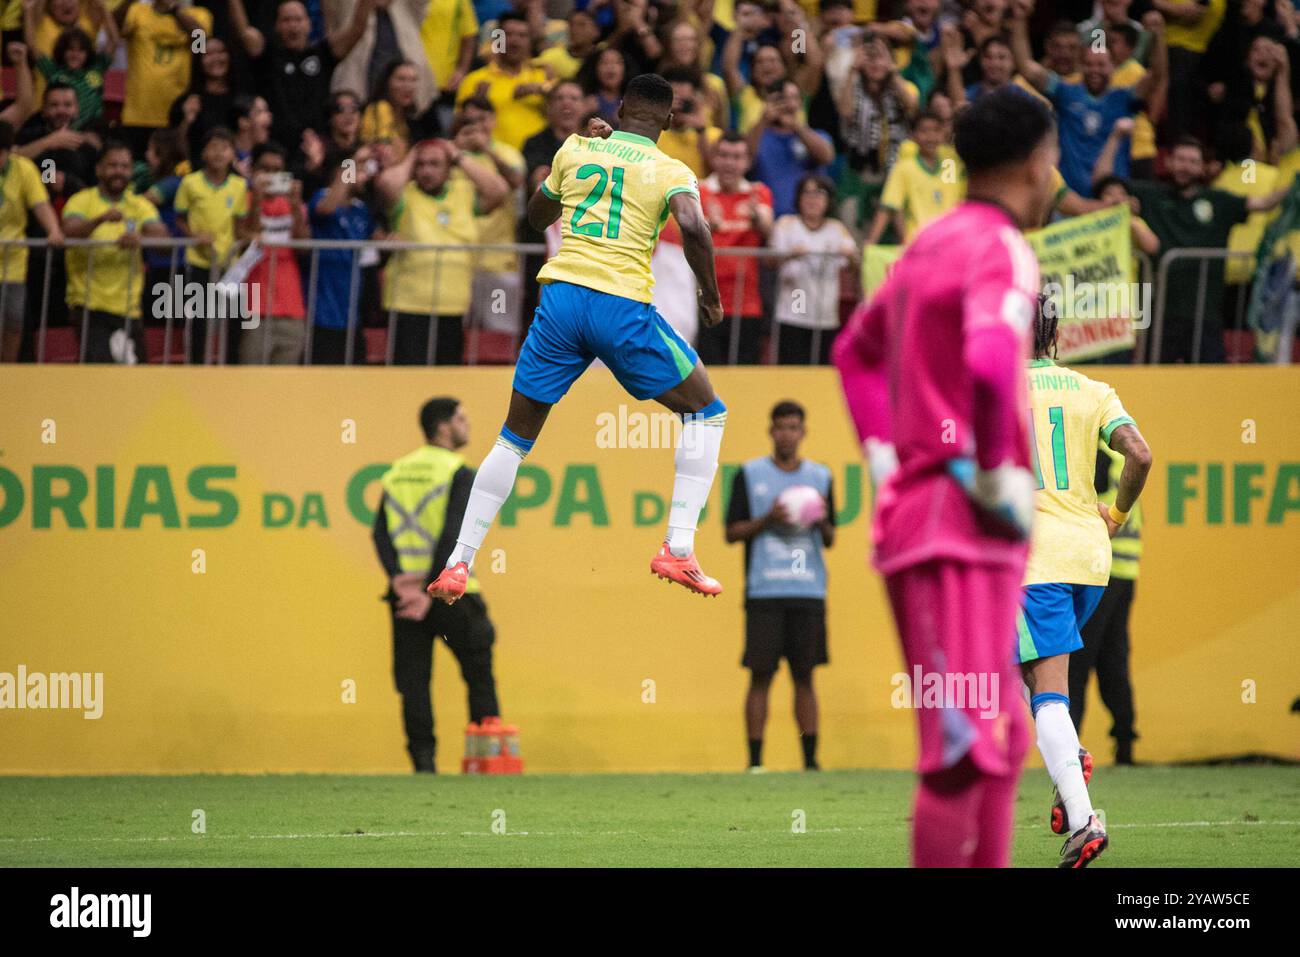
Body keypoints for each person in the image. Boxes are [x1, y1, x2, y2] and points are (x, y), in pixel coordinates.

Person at [833, 88, 1056, 868]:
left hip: (944, 520)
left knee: (1003, 732)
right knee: (961, 744)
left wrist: (885, 461)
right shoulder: (1002, 248)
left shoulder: (930, 242)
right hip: (957, 525)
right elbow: (995, 363)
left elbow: (853, 353)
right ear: (1036, 162)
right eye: (1054, 159)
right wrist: (995, 472)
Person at [427, 73, 727, 603]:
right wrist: (710, 295)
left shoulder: (577, 147)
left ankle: (457, 563)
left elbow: (536, 215)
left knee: (512, 440)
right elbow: (696, 229)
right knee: (706, 411)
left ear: (618, 107)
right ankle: (678, 549)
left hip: (561, 300)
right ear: (669, 121)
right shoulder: (671, 168)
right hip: (619, 304)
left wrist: (580, 158)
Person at [1016, 295, 1152, 867]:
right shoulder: (1094, 391)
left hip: (1033, 559)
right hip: (1090, 559)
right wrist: (1115, 516)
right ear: (1056, 336)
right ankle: (1070, 757)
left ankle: (1083, 820)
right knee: (1020, 668)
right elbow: (1140, 456)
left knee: (1046, 689)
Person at [372, 397, 502, 773]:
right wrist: (432, 588)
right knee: (478, 672)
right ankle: (486, 760)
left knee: (413, 683)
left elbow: (379, 535)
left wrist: (404, 586)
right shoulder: (459, 472)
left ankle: (423, 765)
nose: (467, 425)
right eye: (461, 418)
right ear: (443, 426)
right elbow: (454, 537)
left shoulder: (396, 472)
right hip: (454, 596)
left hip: (405, 599)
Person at [725, 400, 835, 772]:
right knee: (761, 676)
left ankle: (810, 761)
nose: (787, 434)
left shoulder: (820, 477)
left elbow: (832, 536)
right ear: (771, 430)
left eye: (793, 427)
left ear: (803, 432)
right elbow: (731, 531)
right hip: (765, 590)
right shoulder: (750, 474)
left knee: (805, 676)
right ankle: (755, 762)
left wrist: (818, 518)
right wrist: (768, 518)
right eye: (780, 427)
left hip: (808, 590)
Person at [374, 137, 508, 364]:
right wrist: (414, 153)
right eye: (421, 165)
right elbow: (386, 183)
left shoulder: (464, 193)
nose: (426, 171)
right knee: (405, 381)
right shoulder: (406, 195)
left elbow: (498, 190)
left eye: (435, 164)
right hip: (407, 306)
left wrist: (458, 156)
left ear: (449, 168)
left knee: (445, 378)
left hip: (452, 307)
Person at [1010, 5, 1167, 197]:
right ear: (1081, 66)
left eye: (1101, 64)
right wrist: (1019, 19)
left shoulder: (1124, 98)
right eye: (1089, 64)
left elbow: (1157, 75)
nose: (1095, 70)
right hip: (1069, 200)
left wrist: (1158, 36)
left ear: (1113, 67)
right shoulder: (1065, 93)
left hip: (1110, 200)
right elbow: (1027, 67)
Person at [62, 140, 168, 363]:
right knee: (99, 375)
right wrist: (98, 221)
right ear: (99, 169)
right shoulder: (81, 201)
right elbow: (68, 232)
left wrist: (142, 238)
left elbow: (164, 239)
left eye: (125, 166)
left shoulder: (138, 205)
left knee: (137, 379)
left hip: (129, 307)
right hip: (89, 304)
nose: (119, 171)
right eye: (112, 166)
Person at [1070, 441, 1142, 766]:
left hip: (1099, 569)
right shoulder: (1119, 454)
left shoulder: (1092, 450)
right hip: (1126, 569)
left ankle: (1068, 748)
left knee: (1076, 659)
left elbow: (1085, 503)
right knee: (1113, 657)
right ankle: (1125, 742)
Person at [227, 0, 374, 153]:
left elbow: (357, 29)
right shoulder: (267, 54)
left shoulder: (323, 54)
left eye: (298, 19)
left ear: (309, 24)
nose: (293, 25)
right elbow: (244, 32)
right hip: (275, 147)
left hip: (317, 146)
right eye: (286, 20)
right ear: (277, 26)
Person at [174, 127, 250, 364]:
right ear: (203, 153)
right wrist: (194, 236)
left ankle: (230, 372)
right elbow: (179, 218)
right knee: (199, 323)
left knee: (234, 322)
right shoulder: (190, 183)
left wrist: (248, 240)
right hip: (199, 262)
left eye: (225, 147)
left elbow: (239, 225)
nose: (219, 153)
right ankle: (197, 370)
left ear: (232, 155)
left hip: (229, 264)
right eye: (213, 147)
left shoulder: (239, 185)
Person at [698, 132, 772, 365]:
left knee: (745, 375)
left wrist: (756, 217)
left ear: (748, 162)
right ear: (714, 158)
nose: (730, 163)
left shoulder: (758, 193)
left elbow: (769, 229)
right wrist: (708, 226)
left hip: (746, 304)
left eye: (737, 157)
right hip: (703, 302)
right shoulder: (697, 191)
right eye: (724, 155)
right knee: (705, 375)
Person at [769, 174, 856, 365]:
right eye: (806, 193)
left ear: (828, 200)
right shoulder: (786, 224)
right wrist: (790, 255)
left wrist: (849, 257)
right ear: (798, 198)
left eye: (819, 194)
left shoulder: (837, 229)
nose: (812, 199)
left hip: (825, 316)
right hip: (793, 312)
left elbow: (854, 262)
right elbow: (770, 261)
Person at [0, 118, 63, 363]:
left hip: (13, 262)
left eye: (2, 152)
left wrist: (54, 230)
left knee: (14, 323)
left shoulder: (24, 168)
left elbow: (40, 204)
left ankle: (7, 372)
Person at [866, 108, 963, 246]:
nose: (930, 137)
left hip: (950, 242)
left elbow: (951, 194)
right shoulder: (904, 168)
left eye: (936, 130)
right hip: (918, 244)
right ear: (913, 135)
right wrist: (871, 241)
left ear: (943, 133)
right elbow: (889, 206)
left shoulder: (949, 163)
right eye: (924, 131)